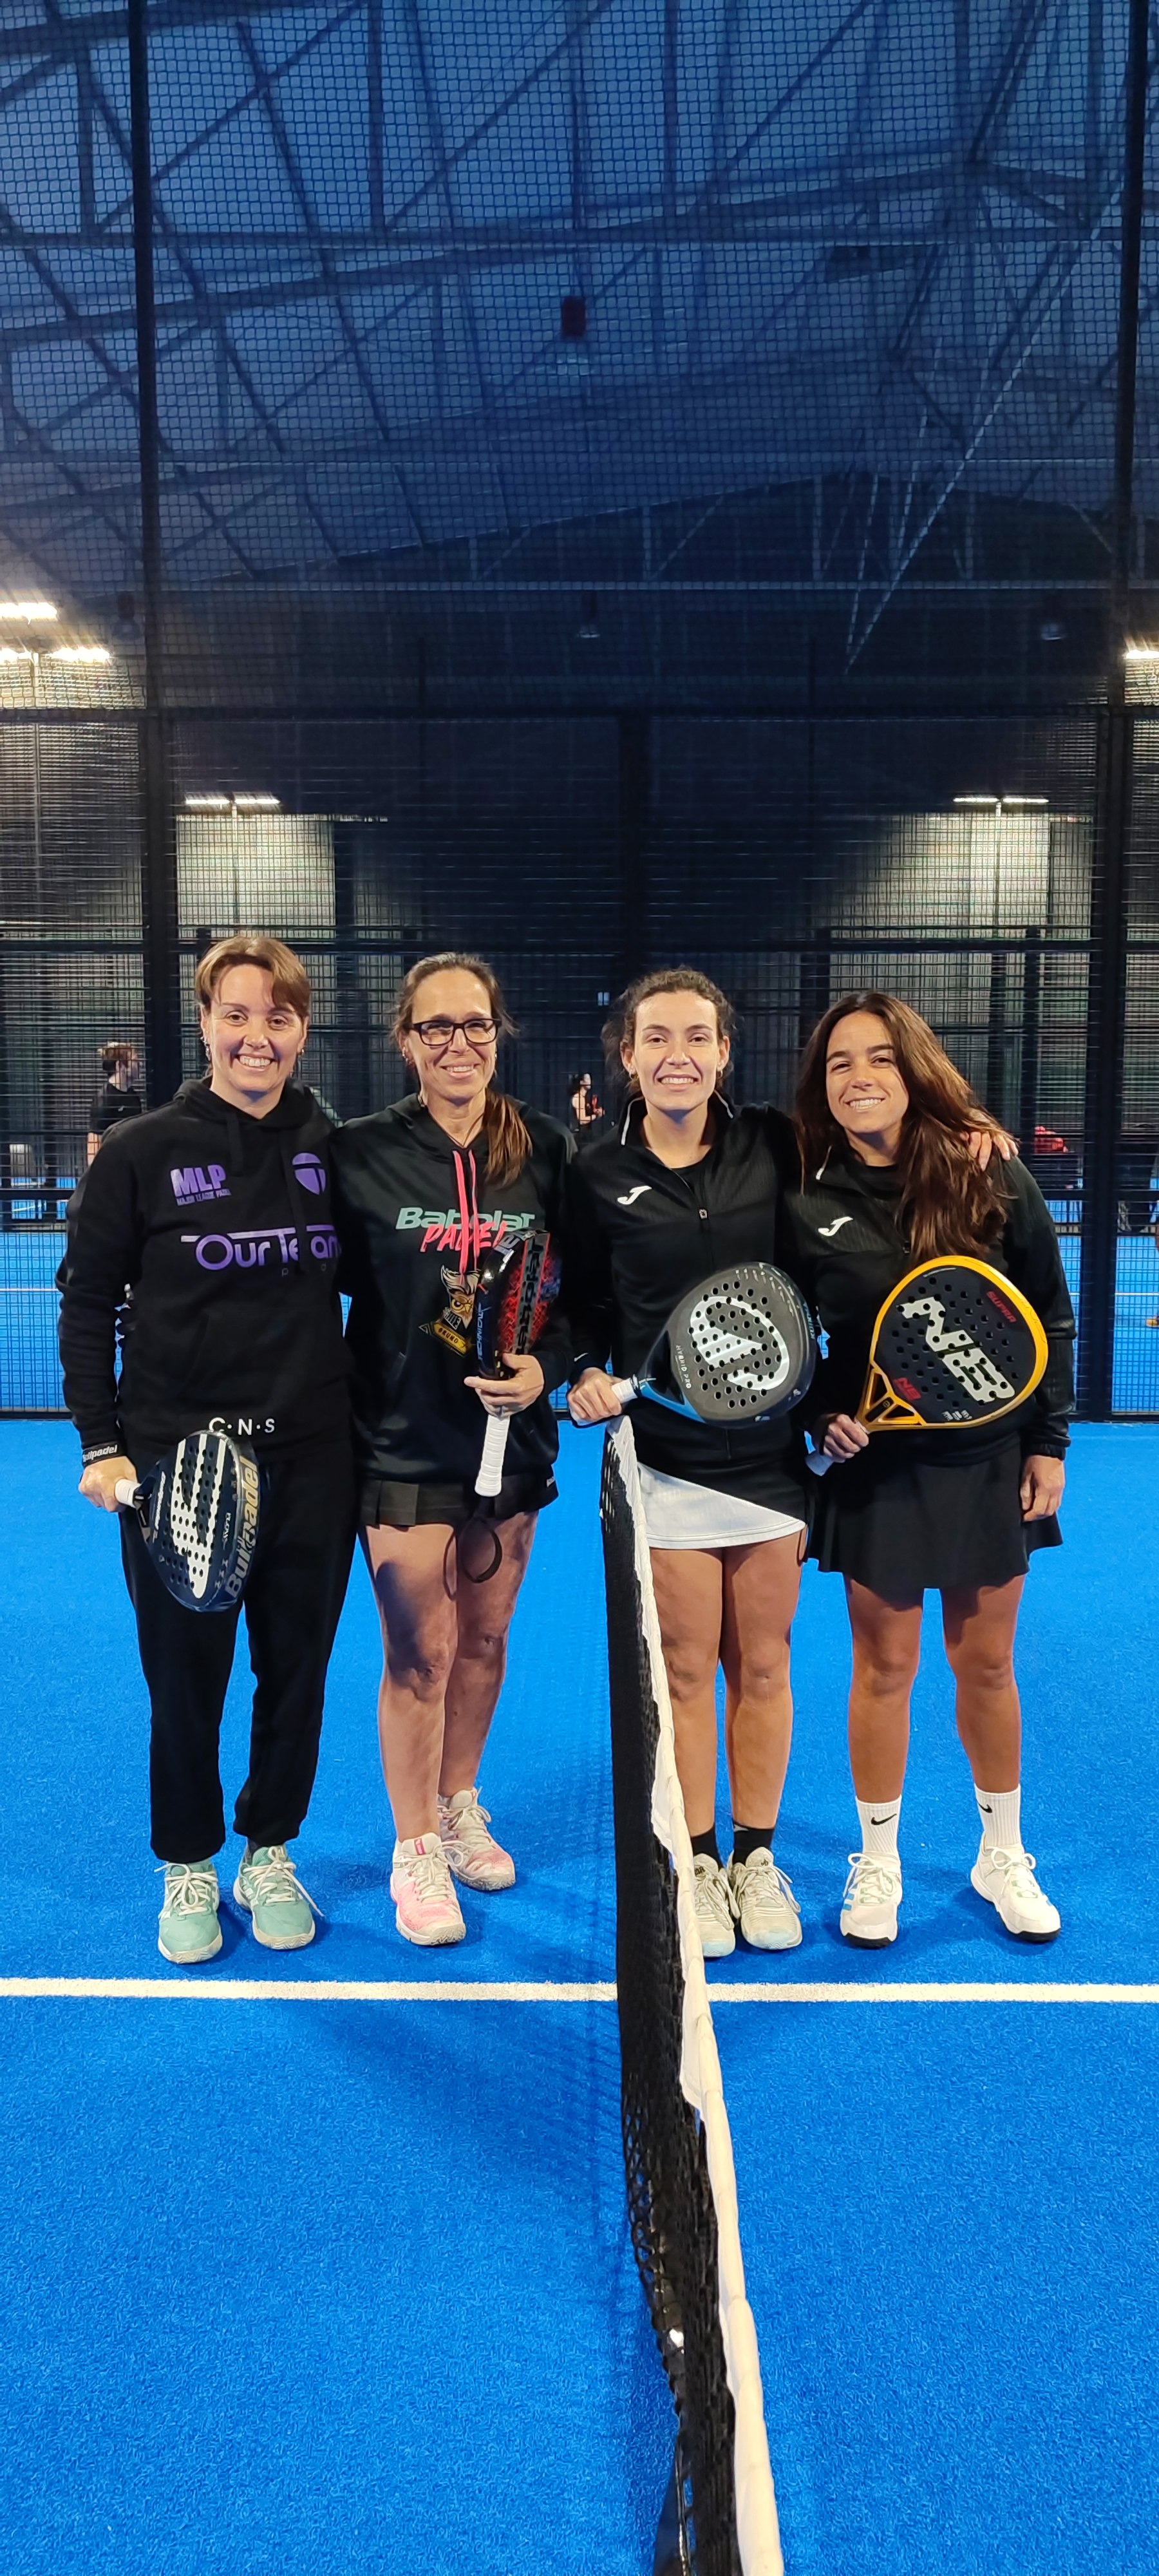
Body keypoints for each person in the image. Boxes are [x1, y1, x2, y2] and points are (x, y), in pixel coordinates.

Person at [59, 934, 353, 1965]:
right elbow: (86, 1303)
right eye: (237, 1015)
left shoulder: (335, 1147)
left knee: (297, 1670)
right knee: (185, 1679)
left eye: (277, 1017)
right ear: (205, 1023)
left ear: (302, 1030)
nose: (256, 1036)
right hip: (177, 1463)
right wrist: (101, 1443)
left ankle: (269, 1849)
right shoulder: (142, 1150)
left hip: (313, 1459)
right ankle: (188, 1859)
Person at [782, 992, 1073, 1949]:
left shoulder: (988, 1170)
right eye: (839, 1064)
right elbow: (799, 1336)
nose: (859, 1077)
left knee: (986, 1663)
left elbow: (1047, 1312)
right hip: (878, 1471)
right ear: (822, 1086)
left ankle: (1003, 1853)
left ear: (912, 1071)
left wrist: (1048, 1442)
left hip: (988, 1460)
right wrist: (820, 1415)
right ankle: (880, 1860)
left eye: (879, 1059)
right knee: (886, 1668)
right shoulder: (805, 1194)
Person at [566, 969, 813, 1960]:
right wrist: (585, 1371)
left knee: (765, 1661)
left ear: (724, 1051)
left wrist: (968, 1127)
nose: (680, 1054)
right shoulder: (595, 1172)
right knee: (683, 1665)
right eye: (658, 1038)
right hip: (663, 1456)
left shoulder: (777, 1144)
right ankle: (700, 1862)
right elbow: (581, 1303)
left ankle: (757, 1858)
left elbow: (884, 1143)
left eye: (698, 1036)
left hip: (772, 1453)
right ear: (627, 1057)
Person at [330, 952, 572, 1949]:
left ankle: (459, 1801)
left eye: (475, 1024)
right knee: (418, 1653)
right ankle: (415, 1847)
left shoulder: (546, 1150)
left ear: (497, 1033)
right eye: (436, 1027)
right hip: (400, 1443)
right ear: (407, 1040)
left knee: (483, 1640)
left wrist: (547, 1367)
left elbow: (585, 1293)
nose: (458, 1043)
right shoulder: (357, 1153)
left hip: (513, 1446)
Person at [87, 1041, 143, 1164]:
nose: (140, 1065)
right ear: (120, 1066)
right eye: (135, 1061)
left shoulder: (134, 1097)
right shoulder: (104, 1100)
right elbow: (94, 1148)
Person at [567, 1072, 605, 1148]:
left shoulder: (585, 1098)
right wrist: (596, 1116)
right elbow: (582, 1120)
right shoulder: (579, 1098)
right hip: (578, 1137)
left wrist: (596, 1111)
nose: (590, 1081)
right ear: (581, 1082)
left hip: (585, 1135)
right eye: (587, 1079)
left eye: (590, 1079)